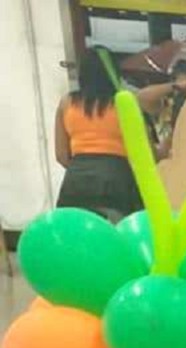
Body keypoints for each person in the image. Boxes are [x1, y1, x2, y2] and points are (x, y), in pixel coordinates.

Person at [54, 49, 142, 220]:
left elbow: (61, 155)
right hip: (116, 178)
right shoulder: (124, 104)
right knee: (115, 232)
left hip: (76, 180)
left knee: (75, 232)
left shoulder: (67, 103)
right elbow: (142, 154)